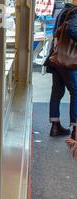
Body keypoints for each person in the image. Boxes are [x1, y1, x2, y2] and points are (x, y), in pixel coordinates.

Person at [45, 0, 77, 139]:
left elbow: (57, 32)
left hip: (56, 57)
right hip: (68, 60)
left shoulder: (63, 11)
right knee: (76, 91)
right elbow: (71, 29)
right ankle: (76, 130)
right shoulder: (75, 13)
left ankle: (55, 126)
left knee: (56, 91)